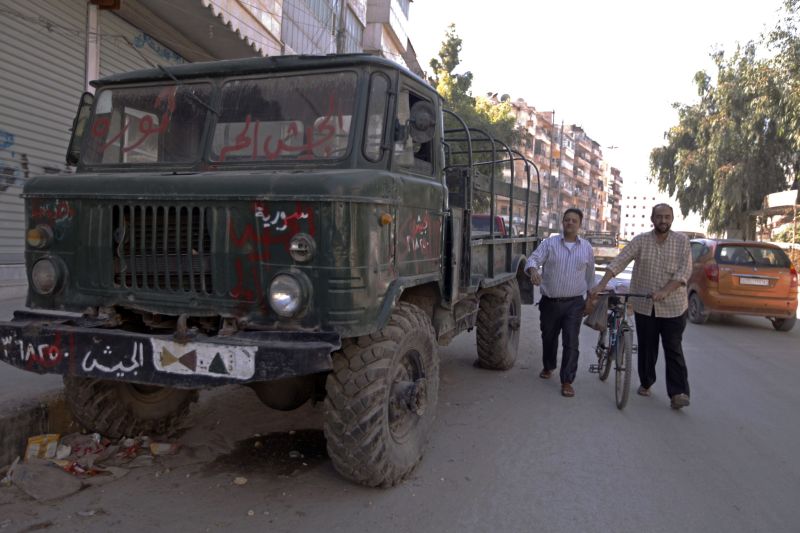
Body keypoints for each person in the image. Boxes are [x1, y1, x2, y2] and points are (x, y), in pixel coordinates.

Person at [591, 204, 692, 409]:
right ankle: (646, 382)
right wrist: (601, 284)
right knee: (647, 346)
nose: (663, 220)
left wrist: (665, 291)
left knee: (673, 348)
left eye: (667, 217)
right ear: (652, 219)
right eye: (659, 217)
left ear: (672, 219)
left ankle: (678, 393)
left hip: (673, 306)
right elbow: (620, 261)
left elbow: (684, 272)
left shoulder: (682, 241)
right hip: (645, 305)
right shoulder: (641, 240)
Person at [525, 208, 595, 397]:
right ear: (562, 223)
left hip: (574, 304)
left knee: (571, 342)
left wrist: (590, 299)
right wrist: (533, 271)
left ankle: (567, 381)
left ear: (580, 225)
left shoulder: (587, 248)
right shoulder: (550, 243)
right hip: (550, 302)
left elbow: (590, 277)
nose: (570, 223)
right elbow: (533, 259)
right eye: (567, 220)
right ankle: (548, 366)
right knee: (548, 338)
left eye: (574, 220)